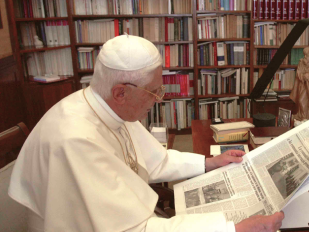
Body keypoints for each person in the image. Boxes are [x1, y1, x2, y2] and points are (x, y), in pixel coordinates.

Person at [8, 35, 284, 232]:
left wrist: (208, 163)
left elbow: (154, 160)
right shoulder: (76, 140)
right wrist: (233, 229)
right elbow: (134, 229)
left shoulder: (107, 105)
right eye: (154, 91)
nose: (159, 99)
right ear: (120, 92)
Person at [289, 47, 309, 122]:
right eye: (304, 55)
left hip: (308, 85)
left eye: (306, 54)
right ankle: (301, 115)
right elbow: (298, 72)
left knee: (302, 100)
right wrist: (302, 76)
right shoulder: (301, 62)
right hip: (301, 84)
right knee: (299, 100)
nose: (305, 56)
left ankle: (304, 116)